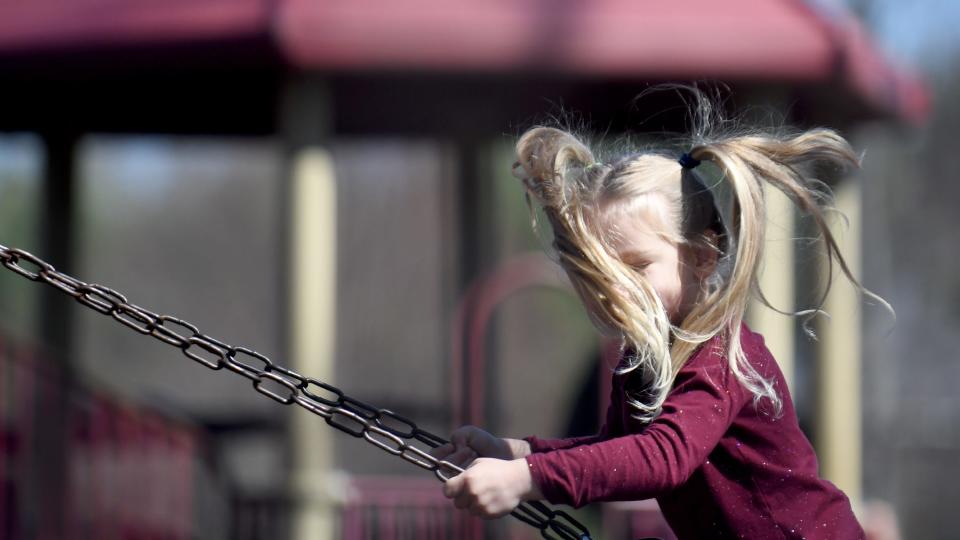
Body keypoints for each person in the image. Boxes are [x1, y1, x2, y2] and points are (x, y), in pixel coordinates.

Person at [431, 94, 888, 539]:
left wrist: (526, 478)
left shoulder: (721, 354)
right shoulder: (643, 362)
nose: (616, 288)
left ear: (702, 256)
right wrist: (516, 453)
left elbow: (663, 457)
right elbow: (613, 452)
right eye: (603, 272)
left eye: (636, 266)